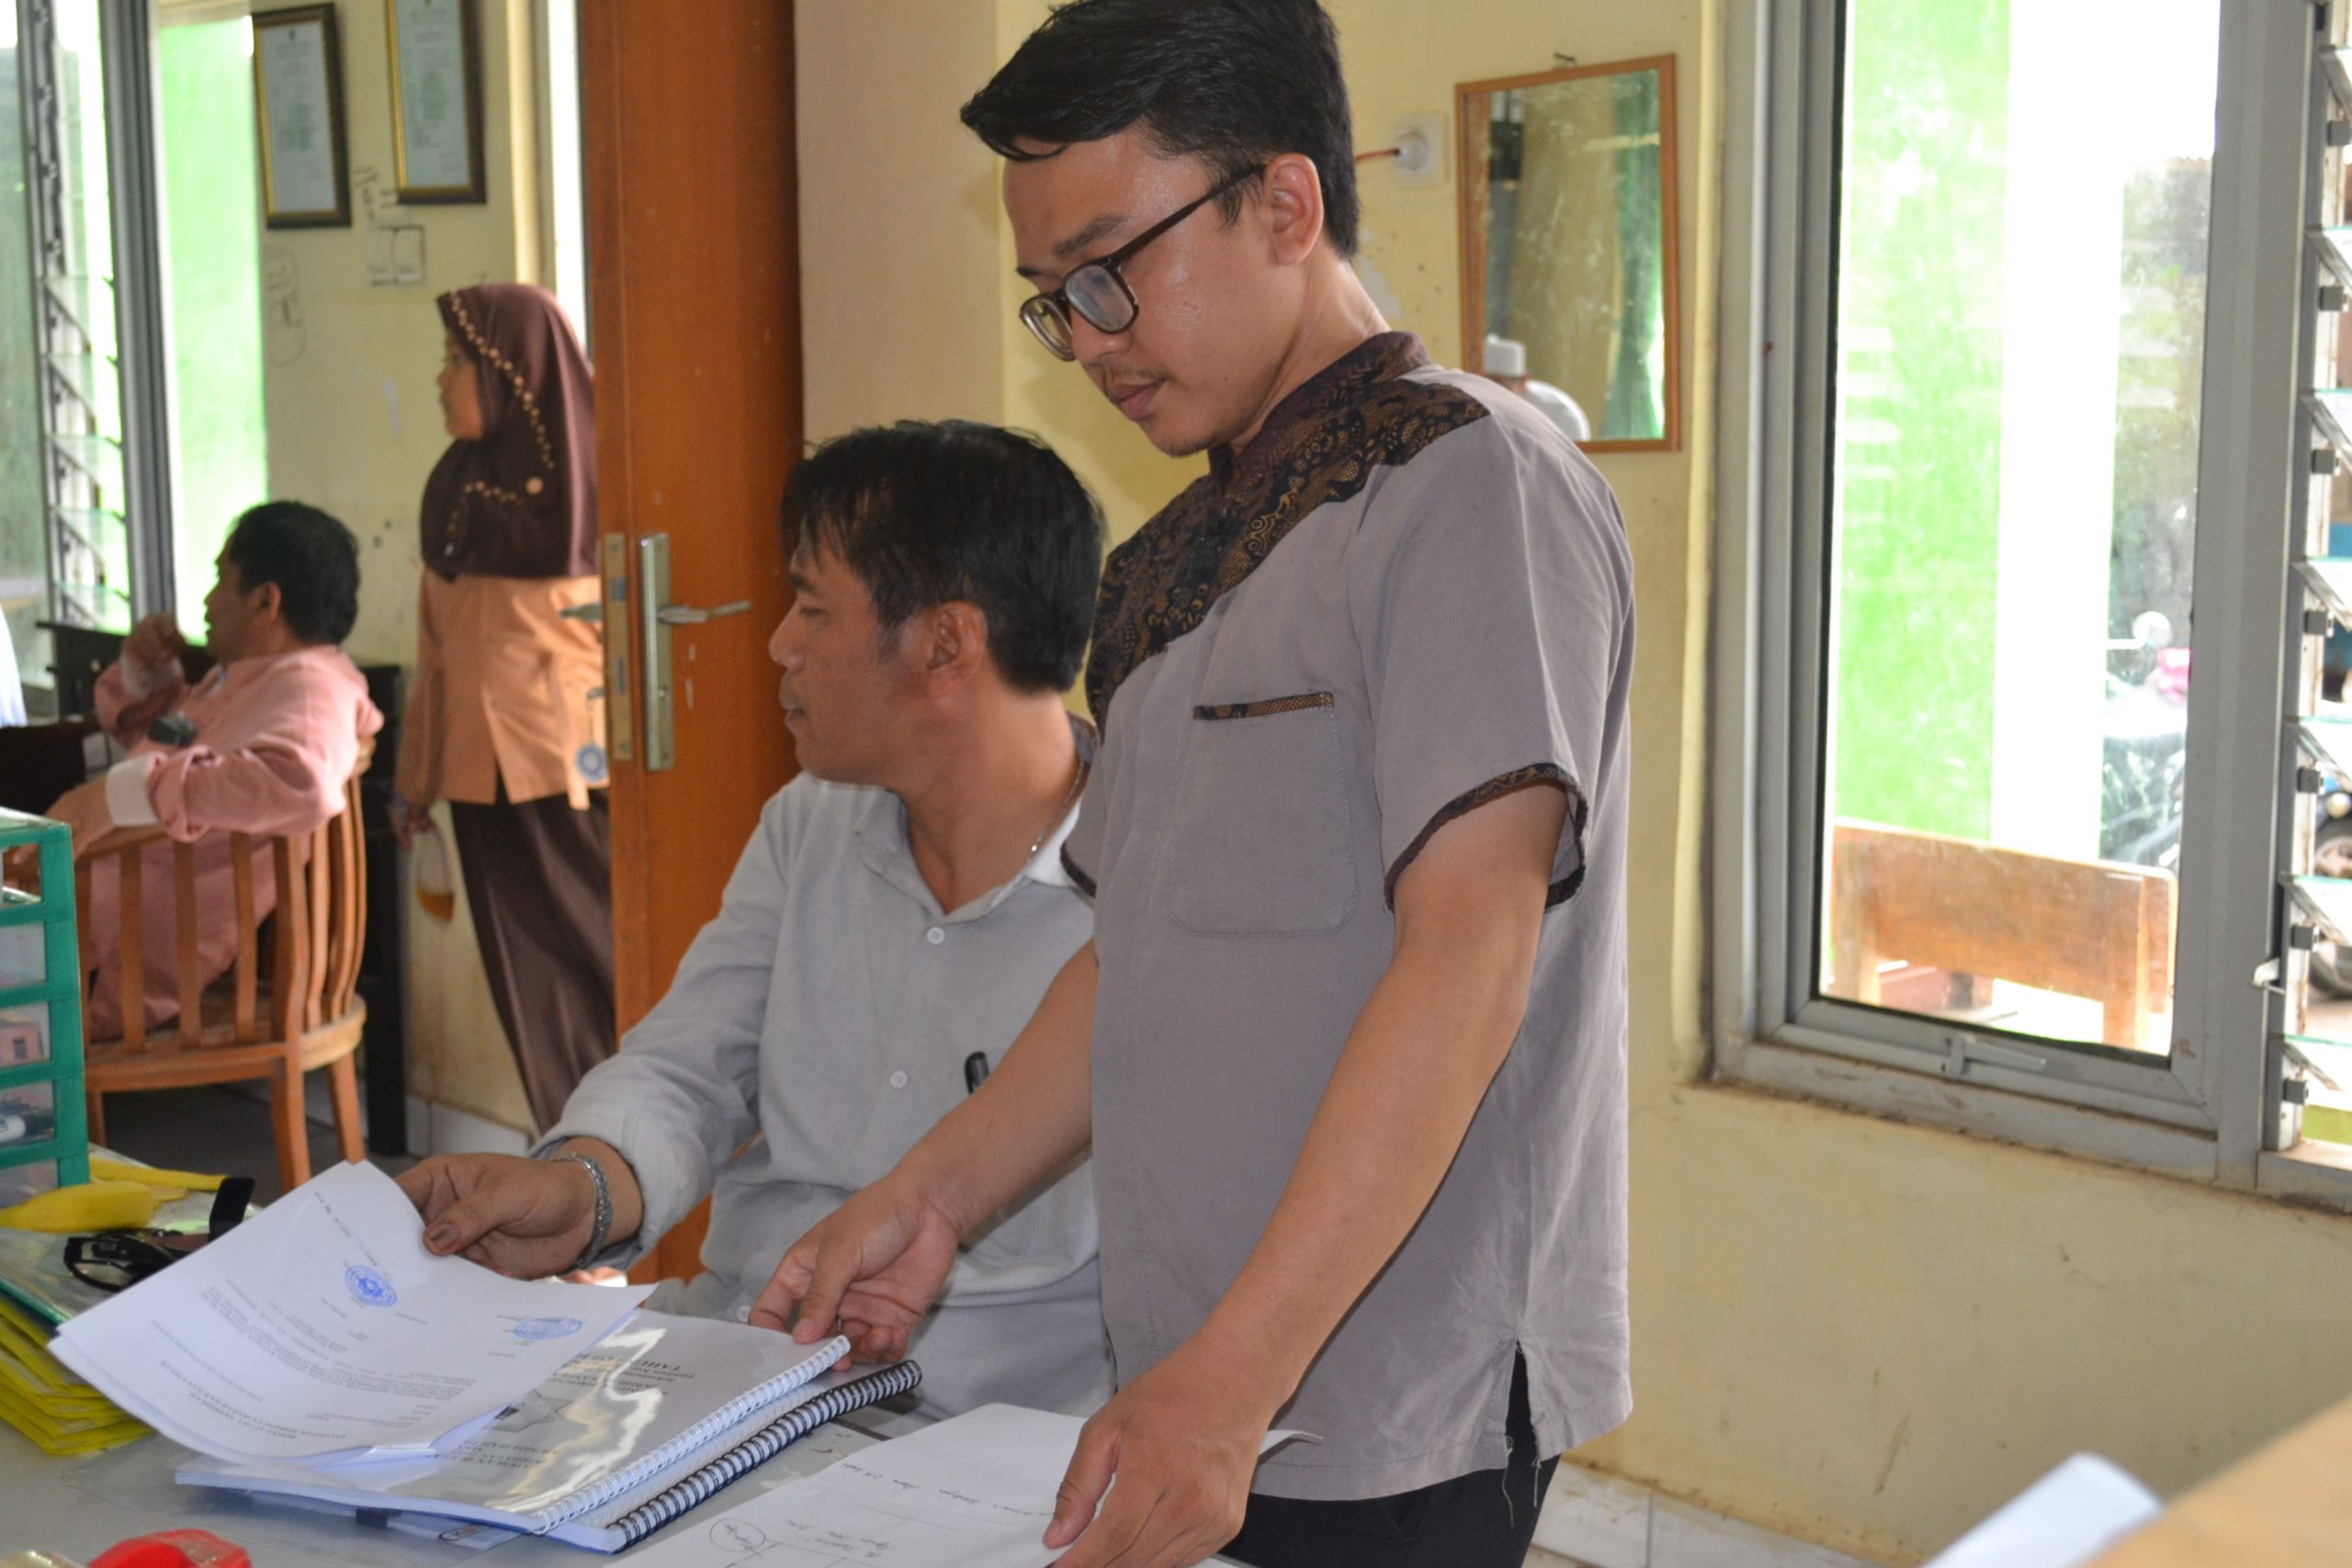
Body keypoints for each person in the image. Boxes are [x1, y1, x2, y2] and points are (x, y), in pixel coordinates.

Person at [764, 5, 1636, 1566]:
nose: (1090, 337)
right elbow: (1134, 957)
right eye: (1054, 300)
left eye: (1110, 270)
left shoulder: (1469, 487)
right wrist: (932, 1194)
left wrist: (1238, 1376)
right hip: (1195, 1369)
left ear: (1285, 204)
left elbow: (1470, 959)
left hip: (1382, 1392)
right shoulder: (1175, 565)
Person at [394, 420, 1115, 1419]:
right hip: (732, 1365)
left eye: (812, 611)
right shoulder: (811, 824)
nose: (779, 645)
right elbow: (688, 1068)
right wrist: (582, 1188)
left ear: (946, 645)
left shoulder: (1146, 886)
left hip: (972, 1432)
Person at [396, 282, 613, 1131]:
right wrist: (414, 783)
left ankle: (662, 1152)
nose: (441, 379)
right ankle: (578, 1146)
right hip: (476, 780)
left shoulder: (594, 484)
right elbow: (436, 656)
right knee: (531, 985)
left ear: (513, 374)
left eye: (459, 360)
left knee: (610, 958)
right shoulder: (454, 491)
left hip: (569, 774)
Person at [42, 502, 381, 1037]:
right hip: (96, 913)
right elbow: (171, 745)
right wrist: (144, 673)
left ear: (266, 601)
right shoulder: (255, 676)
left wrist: (118, 796)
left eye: (221, 579)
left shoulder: (311, 689)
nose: (207, 600)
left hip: (109, 955)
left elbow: (303, 783)